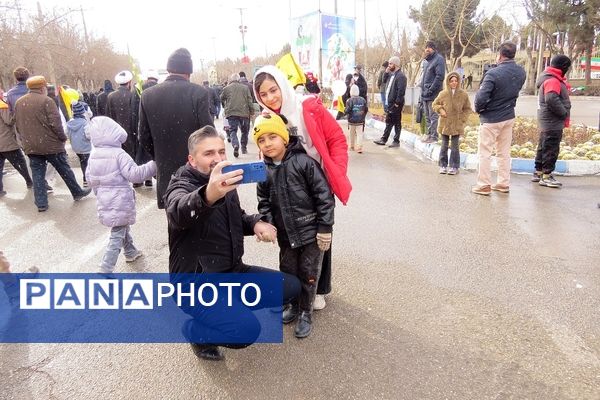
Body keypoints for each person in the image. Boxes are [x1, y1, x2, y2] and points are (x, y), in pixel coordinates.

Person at [164, 126, 301, 360]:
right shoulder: (181, 185)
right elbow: (179, 211)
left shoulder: (224, 181)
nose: (217, 159)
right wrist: (210, 194)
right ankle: (195, 332)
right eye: (208, 154)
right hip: (196, 286)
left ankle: (229, 310)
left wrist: (256, 223)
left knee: (290, 287)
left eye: (221, 151)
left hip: (232, 271)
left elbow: (235, 217)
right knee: (245, 331)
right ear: (192, 159)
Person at [253, 65, 351, 310]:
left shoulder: (308, 107)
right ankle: (295, 293)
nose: (271, 98)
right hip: (289, 183)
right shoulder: (268, 118)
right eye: (263, 95)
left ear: (282, 85)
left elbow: (336, 138)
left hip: (316, 179)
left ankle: (319, 290)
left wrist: (334, 171)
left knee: (321, 239)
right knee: (294, 244)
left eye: (273, 90)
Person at [254, 114, 334, 338]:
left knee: (309, 273)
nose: (268, 143)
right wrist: (269, 224)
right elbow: (264, 202)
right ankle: (292, 305)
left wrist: (325, 228)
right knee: (288, 271)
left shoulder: (304, 163)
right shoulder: (264, 171)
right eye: (262, 140)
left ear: (285, 138)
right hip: (285, 235)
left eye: (272, 137)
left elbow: (324, 197)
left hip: (310, 234)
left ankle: (306, 312)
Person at [138, 48, 214, 209]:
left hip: (167, 172)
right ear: (189, 71)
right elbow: (208, 134)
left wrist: (160, 156)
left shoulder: (148, 95)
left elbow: (143, 137)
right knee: (201, 216)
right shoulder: (198, 92)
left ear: (169, 69)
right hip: (196, 169)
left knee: (174, 217)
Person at [85, 117, 156, 274]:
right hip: (120, 199)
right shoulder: (119, 154)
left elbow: (89, 178)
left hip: (104, 198)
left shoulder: (94, 154)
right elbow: (135, 175)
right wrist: (154, 165)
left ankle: (130, 251)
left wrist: (101, 190)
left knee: (121, 226)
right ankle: (106, 266)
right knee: (117, 232)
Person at [14, 76, 91, 212]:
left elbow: (18, 125)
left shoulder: (19, 103)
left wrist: (25, 141)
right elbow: (56, 124)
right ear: (42, 87)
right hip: (51, 145)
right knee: (64, 169)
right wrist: (62, 138)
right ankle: (77, 192)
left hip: (31, 145)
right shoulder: (47, 101)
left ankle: (41, 203)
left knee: (38, 174)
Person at [472, 42, 526, 195]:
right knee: (504, 152)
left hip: (491, 118)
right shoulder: (521, 72)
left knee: (485, 152)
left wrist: (479, 109)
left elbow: (481, 97)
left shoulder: (493, 74)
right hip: (508, 116)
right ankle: (503, 183)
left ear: (500, 55)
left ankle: (483, 185)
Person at [533, 55, 572, 188]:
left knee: (544, 146)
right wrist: (563, 113)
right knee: (551, 148)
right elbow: (551, 99)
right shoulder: (553, 81)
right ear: (564, 67)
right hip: (552, 120)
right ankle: (547, 176)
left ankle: (538, 172)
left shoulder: (549, 78)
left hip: (547, 120)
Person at [432, 72, 472, 175]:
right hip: (445, 123)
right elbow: (435, 104)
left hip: (456, 125)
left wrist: (462, 119)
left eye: (456, 81)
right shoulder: (443, 94)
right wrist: (441, 110)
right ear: (448, 82)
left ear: (458, 81)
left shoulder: (463, 95)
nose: (454, 83)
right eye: (451, 81)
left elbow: (467, 109)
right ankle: (443, 165)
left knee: (455, 146)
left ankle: (454, 166)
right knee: (444, 145)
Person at [0, 88, 33, 196]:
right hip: (7, 142)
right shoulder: (2, 105)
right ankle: (29, 182)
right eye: (1, 93)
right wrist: (15, 113)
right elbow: (9, 121)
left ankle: (0, 190)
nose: (3, 94)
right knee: (20, 163)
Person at [374, 56, 407, 148]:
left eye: (390, 63)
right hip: (390, 102)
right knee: (392, 121)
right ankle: (388, 139)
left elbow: (401, 91)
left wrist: (397, 103)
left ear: (395, 64)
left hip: (396, 104)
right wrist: (386, 72)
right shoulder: (391, 74)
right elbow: (383, 81)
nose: (388, 65)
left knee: (394, 121)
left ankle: (392, 140)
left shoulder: (401, 76)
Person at [220, 73, 254, 157]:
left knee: (232, 130)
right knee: (244, 131)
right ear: (239, 79)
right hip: (243, 113)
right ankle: (243, 148)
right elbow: (250, 100)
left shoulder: (226, 88)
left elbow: (221, 98)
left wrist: (225, 106)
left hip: (231, 113)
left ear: (231, 80)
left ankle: (235, 145)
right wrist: (252, 111)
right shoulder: (245, 88)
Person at [106, 70, 137, 159]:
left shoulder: (111, 96)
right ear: (129, 82)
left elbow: (109, 116)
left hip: (116, 135)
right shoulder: (132, 95)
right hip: (131, 135)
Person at [420, 41, 446, 144]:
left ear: (434, 49)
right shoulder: (427, 61)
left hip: (433, 94)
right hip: (425, 94)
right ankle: (429, 134)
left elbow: (440, 77)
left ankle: (434, 137)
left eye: (429, 47)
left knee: (433, 116)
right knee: (427, 116)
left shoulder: (438, 59)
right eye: (426, 47)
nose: (427, 49)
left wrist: (431, 90)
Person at [66, 101, 92, 187]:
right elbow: (89, 135)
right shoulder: (85, 123)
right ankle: (87, 179)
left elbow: (67, 133)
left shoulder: (69, 123)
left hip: (76, 148)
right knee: (87, 162)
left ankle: (85, 178)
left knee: (82, 162)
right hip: (85, 147)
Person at [344, 84, 368, 153]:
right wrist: (363, 115)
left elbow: (347, 110)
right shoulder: (363, 100)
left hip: (352, 121)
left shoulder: (349, 100)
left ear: (351, 92)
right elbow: (366, 109)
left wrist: (344, 111)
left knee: (351, 133)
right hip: (360, 121)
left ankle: (352, 146)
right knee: (359, 134)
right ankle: (359, 147)